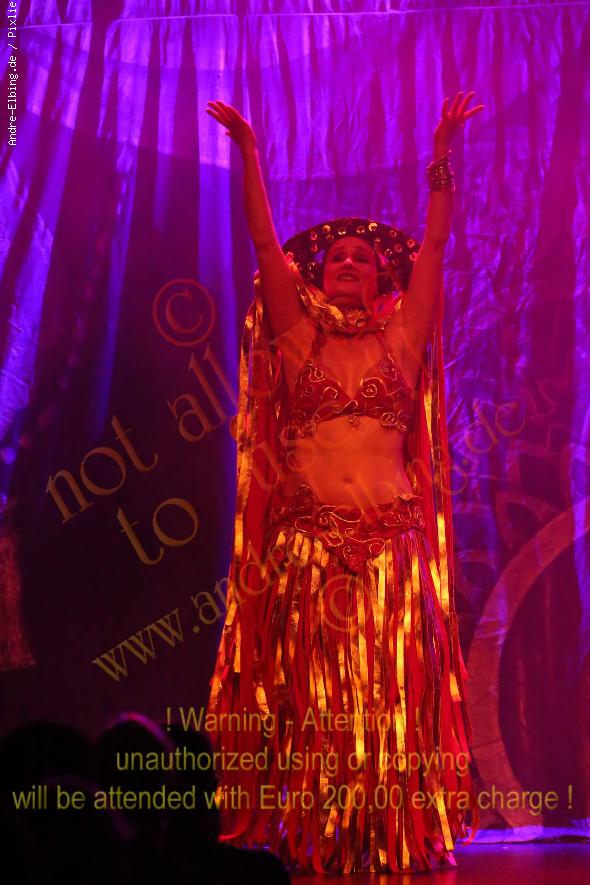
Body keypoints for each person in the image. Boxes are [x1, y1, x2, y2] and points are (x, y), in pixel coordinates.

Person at [204, 91, 484, 875]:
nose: (351, 263)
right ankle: (315, 833)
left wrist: (442, 158)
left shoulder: (405, 336)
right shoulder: (297, 339)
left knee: (390, 702)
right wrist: (250, 156)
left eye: (363, 256)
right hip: (309, 549)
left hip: (392, 555)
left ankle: (390, 832)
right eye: (337, 259)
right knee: (317, 706)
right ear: (319, 278)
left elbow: (436, 246)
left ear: (382, 273)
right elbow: (266, 243)